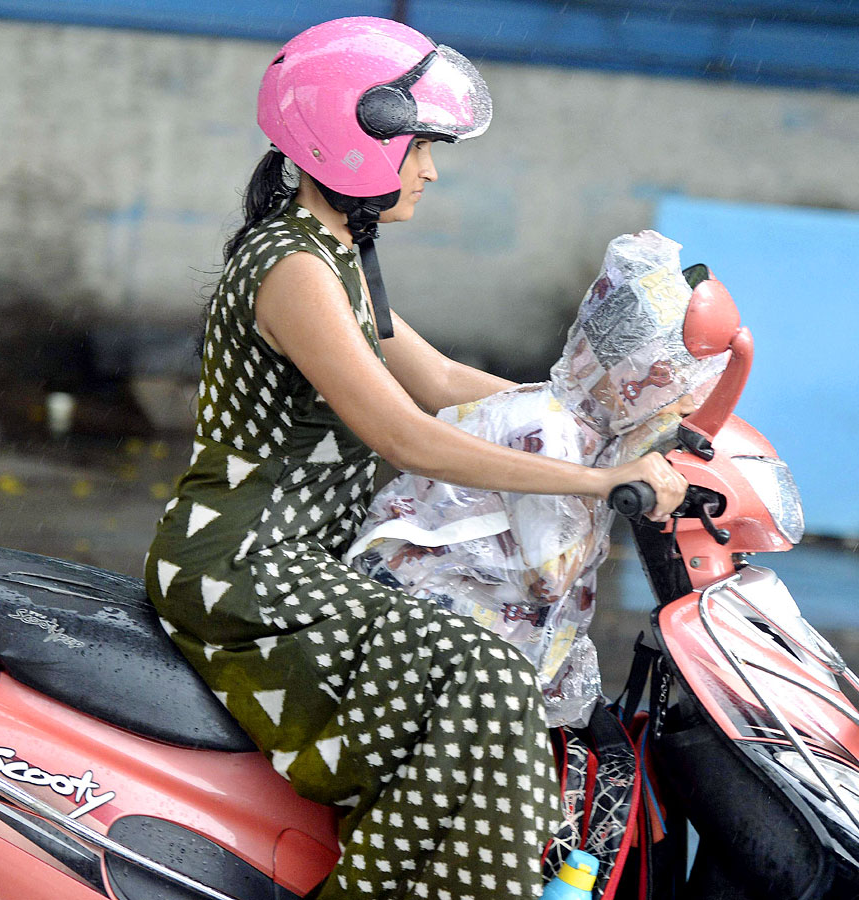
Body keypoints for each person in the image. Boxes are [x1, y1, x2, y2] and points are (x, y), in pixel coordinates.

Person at [144, 17, 687, 900]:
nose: (430, 172)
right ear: (356, 140)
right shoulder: (294, 268)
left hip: (306, 559)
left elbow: (435, 377)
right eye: (419, 149)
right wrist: (598, 480)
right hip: (245, 568)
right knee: (484, 676)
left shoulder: (334, 253)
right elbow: (407, 433)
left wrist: (593, 422)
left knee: (496, 677)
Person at [348, 230, 725, 732]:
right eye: (676, 386)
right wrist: (608, 481)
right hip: (432, 637)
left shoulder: (582, 428)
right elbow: (548, 578)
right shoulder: (551, 432)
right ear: (627, 374)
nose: (687, 405)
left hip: (492, 637)